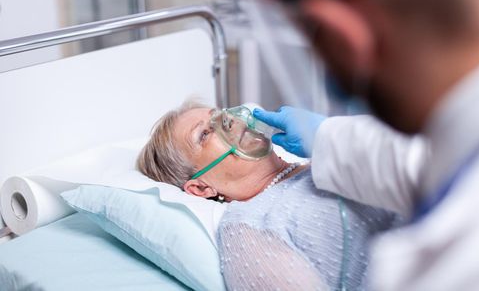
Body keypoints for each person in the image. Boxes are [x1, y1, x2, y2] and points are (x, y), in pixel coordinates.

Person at [252, 0, 479, 289]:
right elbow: (422, 160)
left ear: (343, 34)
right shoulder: (244, 226)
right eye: (203, 132)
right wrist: (324, 138)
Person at [136, 100, 400, 290]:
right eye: (204, 133)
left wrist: (329, 137)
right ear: (202, 188)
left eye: (221, 114)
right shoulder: (248, 228)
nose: (227, 121)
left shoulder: (323, 158)